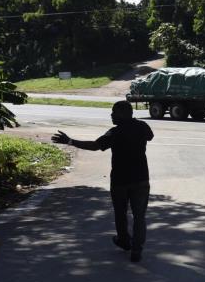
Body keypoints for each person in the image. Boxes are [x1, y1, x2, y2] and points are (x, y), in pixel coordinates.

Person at [51, 101, 154, 262]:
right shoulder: (142, 126)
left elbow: (95, 146)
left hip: (120, 181)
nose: (111, 115)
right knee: (139, 216)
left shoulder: (114, 132)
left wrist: (70, 141)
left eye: (114, 112)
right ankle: (136, 249)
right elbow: (150, 136)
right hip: (141, 179)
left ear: (123, 114)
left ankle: (124, 241)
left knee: (120, 213)